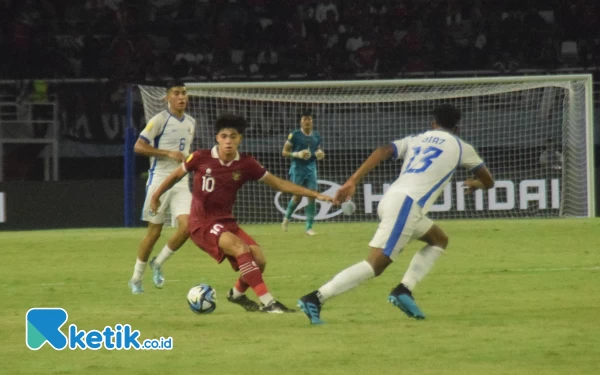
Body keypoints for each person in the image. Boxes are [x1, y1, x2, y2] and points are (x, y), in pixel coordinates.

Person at [297, 104, 495, 324]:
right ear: (457, 128)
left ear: (433, 124)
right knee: (375, 265)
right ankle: (315, 298)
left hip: (393, 198)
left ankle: (404, 290)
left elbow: (383, 151)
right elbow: (489, 181)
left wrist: (353, 180)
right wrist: (477, 184)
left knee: (439, 239)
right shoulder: (462, 147)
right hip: (407, 206)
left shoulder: (416, 139)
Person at [150, 114, 333, 313]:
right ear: (217, 138)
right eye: (224, 136)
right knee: (240, 249)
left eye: (233, 136)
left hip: (227, 222)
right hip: (201, 224)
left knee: (260, 260)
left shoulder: (246, 164)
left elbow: (279, 184)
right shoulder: (200, 157)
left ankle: (236, 294)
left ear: (240, 139)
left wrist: (314, 194)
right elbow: (176, 175)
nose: (228, 141)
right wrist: (156, 195)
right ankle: (269, 303)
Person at [128, 81, 195, 294]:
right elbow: (138, 146)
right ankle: (136, 278)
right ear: (167, 97)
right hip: (159, 180)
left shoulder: (192, 121)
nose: (181, 97)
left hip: (181, 181)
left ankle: (158, 262)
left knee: (188, 227)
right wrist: (167, 153)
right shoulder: (159, 120)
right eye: (176, 93)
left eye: (184, 93)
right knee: (154, 233)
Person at [281, 110, 325, 235]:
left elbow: (318, 150)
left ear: (312, 122)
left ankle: (309, 228)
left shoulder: (316, 135)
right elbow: (284, 152)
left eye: (309, 119)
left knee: (312, 196)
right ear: (301, 121)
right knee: (297, 196)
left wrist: (320, 154)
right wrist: (297, 154)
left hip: (311, 168)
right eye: (304, 119)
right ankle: (286, 218)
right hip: (297, 168)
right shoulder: (294, 134)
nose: (307, 122)